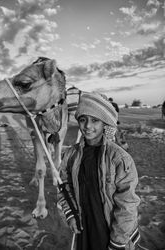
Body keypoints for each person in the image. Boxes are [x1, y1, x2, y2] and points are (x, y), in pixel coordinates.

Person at [57, 91, 140, 250]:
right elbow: (64, 187)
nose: (87, 126)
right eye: (83, 119)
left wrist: (118, 242)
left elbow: (127, 204)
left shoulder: (119, 159)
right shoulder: (71, 155)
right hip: (84, 227)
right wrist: (71, 215)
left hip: (112, 232)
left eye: (95, 120)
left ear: (105, 123)